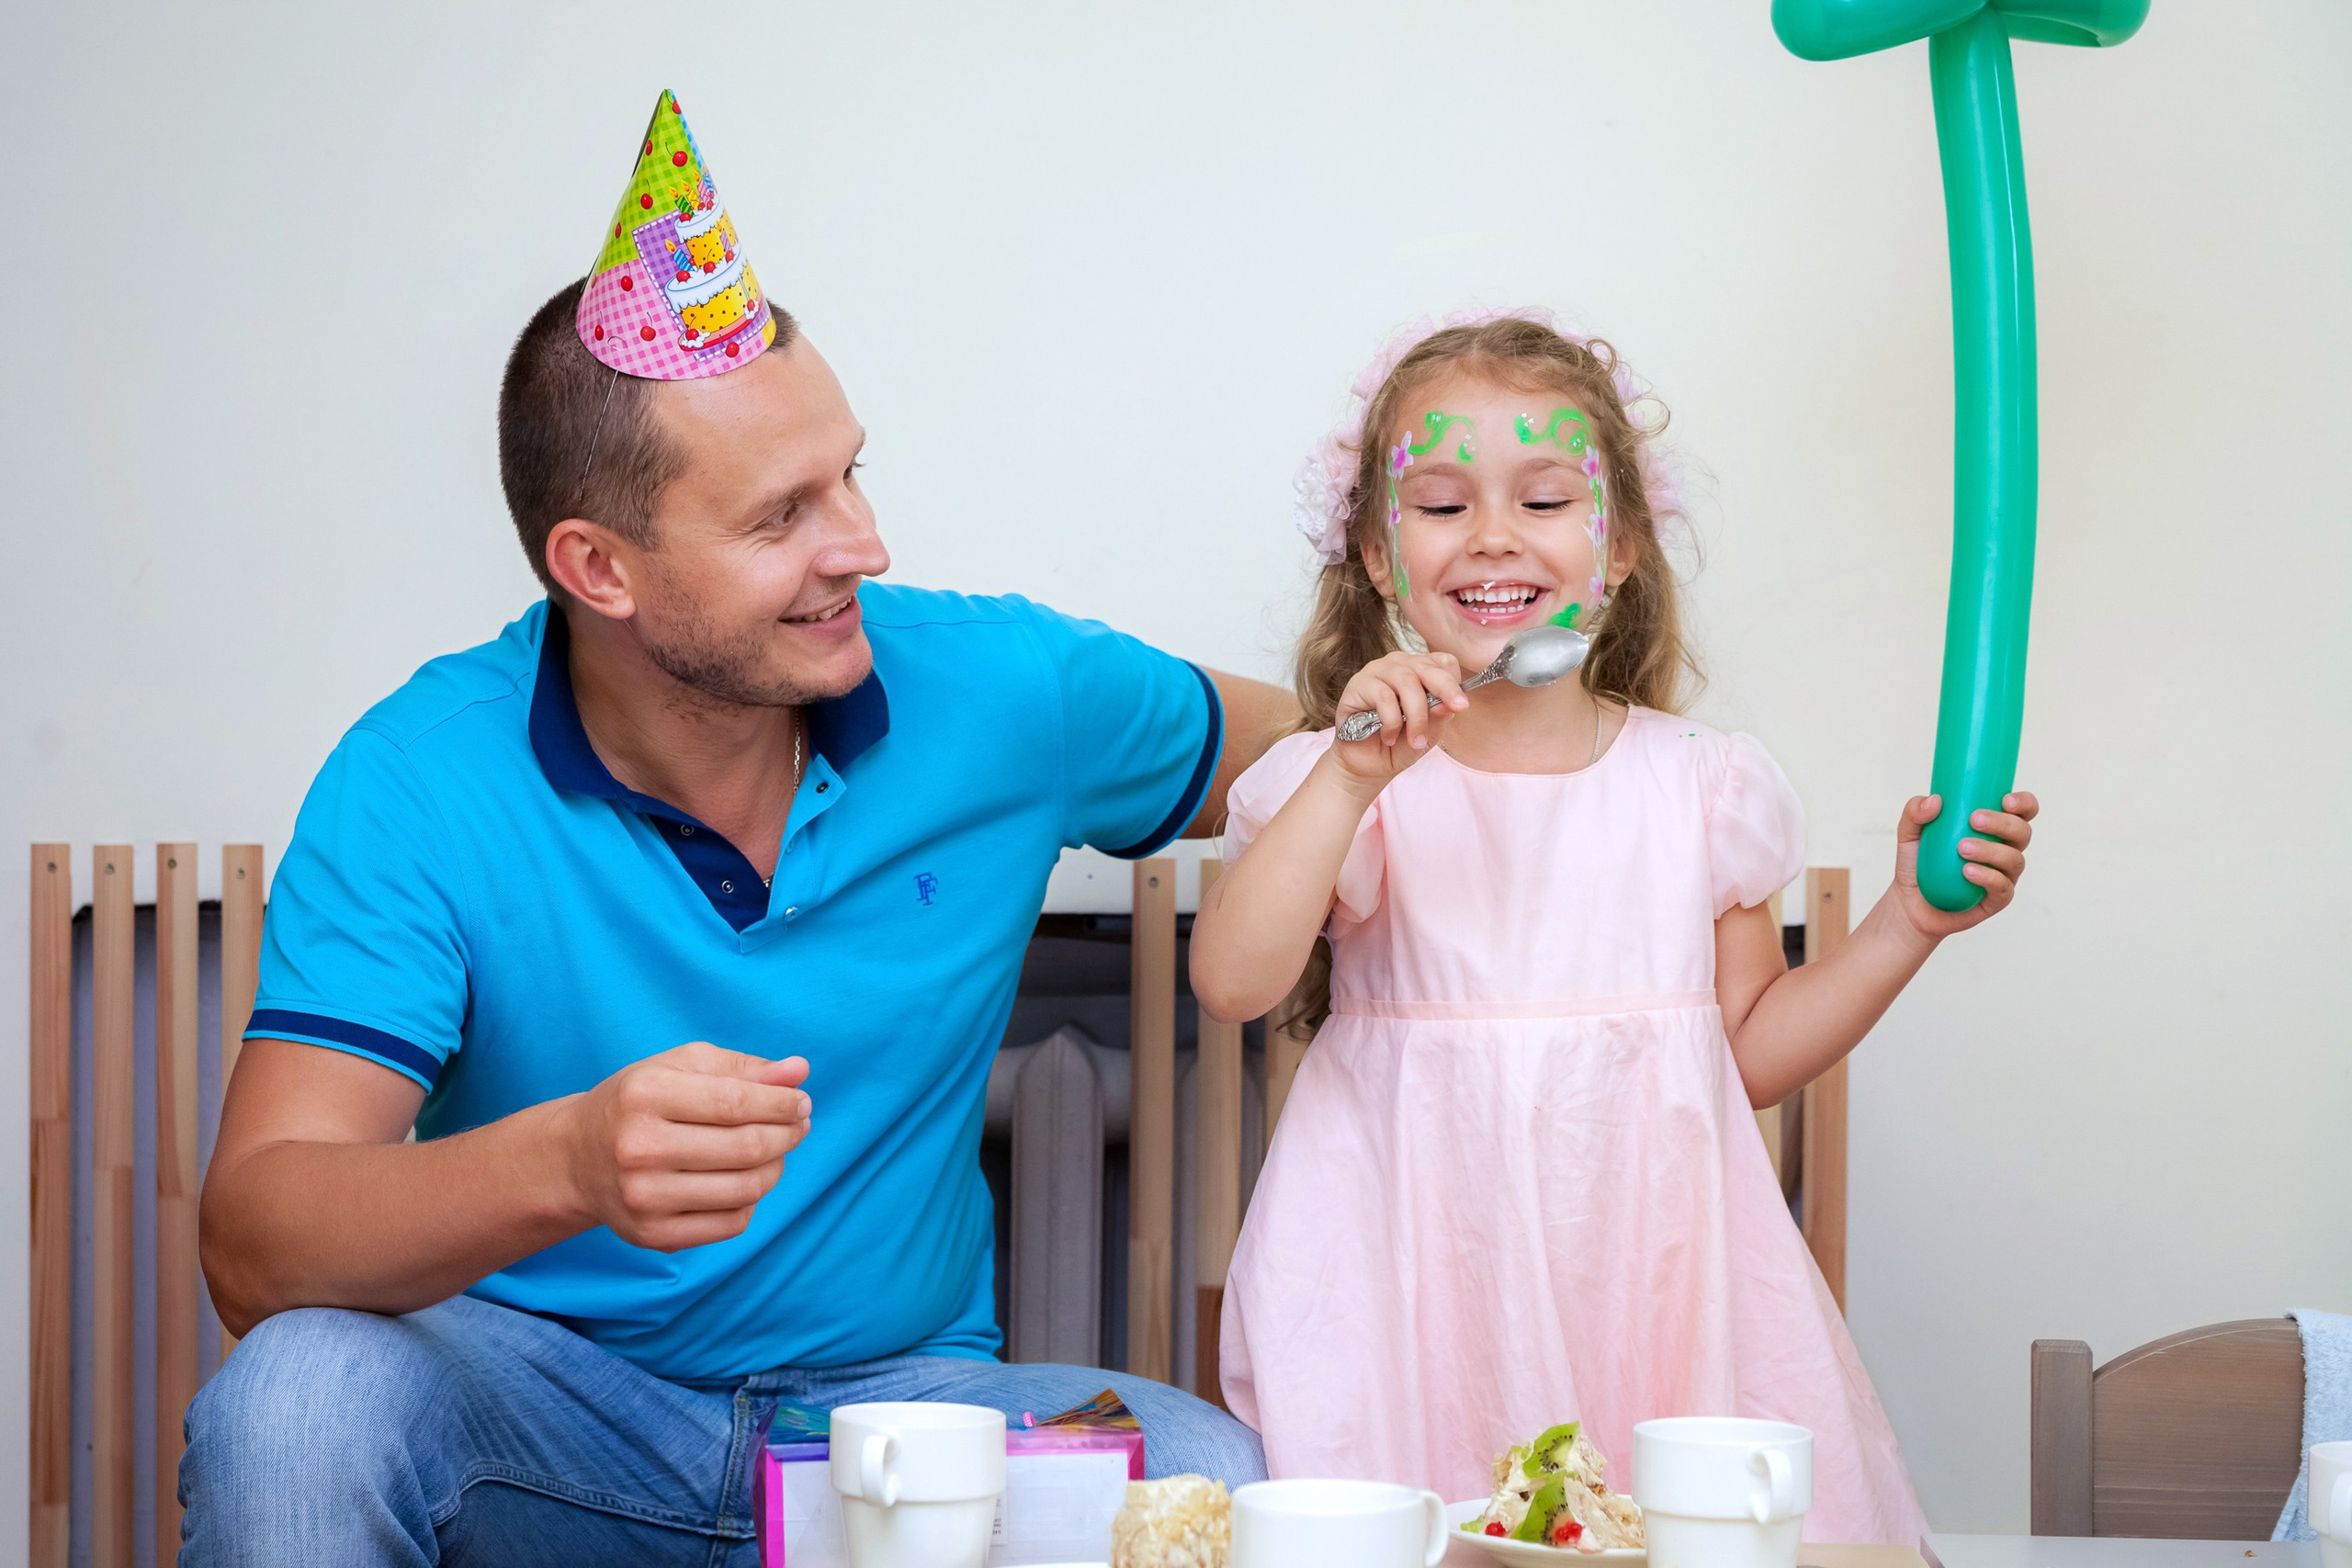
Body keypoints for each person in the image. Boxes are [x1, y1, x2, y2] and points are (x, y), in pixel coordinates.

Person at [182, 93, 1289, 1567]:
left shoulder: (1003, 689)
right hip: (547, 1421)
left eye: (850, 472)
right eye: (782, 518)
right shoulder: (418, 781)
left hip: (902, 1424)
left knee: (1206, 1465)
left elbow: (1318, 744)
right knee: (299, 1399)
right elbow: (256, 1238)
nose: (863, 544)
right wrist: (569, 1165)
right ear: (601, 567)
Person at [1189, 311, 2041, 1541]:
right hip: (1417, 1276)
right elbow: (1233, 983)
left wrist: (1909, 920)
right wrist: (1351, 776)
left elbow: (1746, 1052)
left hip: (1655, 1275)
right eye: (1439, 506)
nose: (1491, 536)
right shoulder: (1348, 784)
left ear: (1622, 544)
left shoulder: (1702, 785)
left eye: (1545, 500)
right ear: (1378, 557)